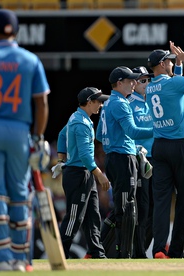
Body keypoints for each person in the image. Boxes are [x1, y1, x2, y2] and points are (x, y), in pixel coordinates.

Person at [0, 9, 50, 272]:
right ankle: (21, 258)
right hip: (19, 131)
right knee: (20, 194)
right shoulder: (30, 59)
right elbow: (42, 103)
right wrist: (37, 136)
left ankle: (1, 258)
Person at [145, 41, 184, 259]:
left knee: (162, 202)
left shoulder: (150, 87)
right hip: (181, 146)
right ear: (163, 64)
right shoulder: (173, 84)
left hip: (159, 147)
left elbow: (175, 89)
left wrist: (178, 65)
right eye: (170, 62)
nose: (172, 65)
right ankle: (176, 249)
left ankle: (159, 249)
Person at [96, 66, 152, 258]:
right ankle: (123, 252)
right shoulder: (120, 103)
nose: (134, 83)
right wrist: (159, 131)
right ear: (119, 83)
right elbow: (133, 131)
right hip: (123, 158)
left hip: (113, 157)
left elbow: (99, 135)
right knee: (127, 208)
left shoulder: (109, 102)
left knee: (123, 206)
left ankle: (104, 248)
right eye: (130, 81)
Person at [56, 87, 110, 259]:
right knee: (74, 217)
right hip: (79, 174)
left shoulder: (77, 117)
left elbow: (61, 135)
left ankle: (96, 252)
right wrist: (99, 174)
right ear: (88, 102)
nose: (101, 105)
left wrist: (61, 156)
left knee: (93, 215)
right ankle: (61, 253)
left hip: (82, 172)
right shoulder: (81, 123)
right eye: (98, 101)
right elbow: (85, 155)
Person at [129, 66, 154, 258]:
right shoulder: (128, 104)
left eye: (148, 80)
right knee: (142, 206)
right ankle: (136, 250)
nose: (147, 83)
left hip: (157, 160)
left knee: (155, 208)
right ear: (134, 83)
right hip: (139, 160)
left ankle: (142, 248)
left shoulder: (153, 102)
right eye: (142, 80)